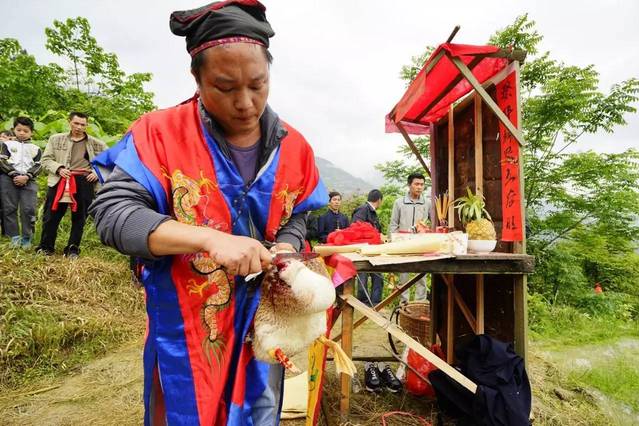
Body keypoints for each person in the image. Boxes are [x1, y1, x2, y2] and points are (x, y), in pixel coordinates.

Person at [88, 1, 327, 424]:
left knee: (261, 409)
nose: (245, 102)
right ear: (196, 78)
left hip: (264, 324)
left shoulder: (296, 148)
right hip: (187, 328)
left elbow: (297, 215)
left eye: (257, 84)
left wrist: (287, 251)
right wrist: (209, 238)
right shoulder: (158, 133)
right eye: (225, 86)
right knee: (187, 412)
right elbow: (112, 212)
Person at [35, 112, 107, 257]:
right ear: (70, 122)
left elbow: (109, 162)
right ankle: (46, 248)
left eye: (82, 124)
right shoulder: (56, 139)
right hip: (60, 179)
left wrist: (97, 172)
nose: (79, 127)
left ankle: (72, 249)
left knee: (79, 217)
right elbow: (46, 160)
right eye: (76, 123)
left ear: (87, 125)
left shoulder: (96, 143)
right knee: (51, 215)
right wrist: (59, 168)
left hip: (84, 181)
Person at [389, 172, 431, 303]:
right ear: (409, 185)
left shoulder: (427, 203)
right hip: (403, 243)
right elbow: (393, 224)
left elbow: (433, 222)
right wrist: (393, 243)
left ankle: (420, 303)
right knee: (404, 275)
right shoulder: (399, 202)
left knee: (421, 275)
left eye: (422, 184)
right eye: (416, 184)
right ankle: (403, 304)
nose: (419, 187)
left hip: (421, 243)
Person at [0, 117, 41, 248]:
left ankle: (26, 238)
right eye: (19, 130)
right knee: (9, 208)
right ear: (14, 130)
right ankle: (14, 237)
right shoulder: (7, 145)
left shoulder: (36, 148)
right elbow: (2, 161)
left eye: (26, 130)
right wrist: (14, 174)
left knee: (28, 209)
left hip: (29, 180)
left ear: (31, 132)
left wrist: (27, 176)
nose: (22, 133)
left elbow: (39, 165)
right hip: (8, 178)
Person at [351, 189, 384, 306]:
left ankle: (375, 302)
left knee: (378, 274)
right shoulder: (363, 209)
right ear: (379, 200)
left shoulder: (372, 211)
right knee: (363, 275)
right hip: (364, 249)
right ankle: (363, 302)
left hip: (373, 249)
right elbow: (356, 228)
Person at [0, 130, 16, 236]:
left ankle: (7, 233)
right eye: (1, 136)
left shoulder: (14, 149)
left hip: (7, 178)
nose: (2, 138)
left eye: (7, 137)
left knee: (7, 206)